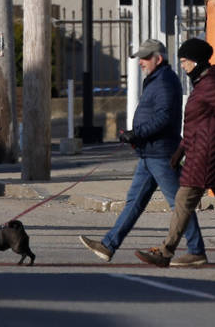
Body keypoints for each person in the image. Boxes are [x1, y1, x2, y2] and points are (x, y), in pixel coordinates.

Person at [135, 37, 215, 268]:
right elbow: (197, 125)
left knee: (183, 201)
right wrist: (179, 153)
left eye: (185, 61)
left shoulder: (210, 86)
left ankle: (166, 252)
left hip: (206, 155)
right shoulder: (205, 84)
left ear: (196, 62)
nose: (183, 66)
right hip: (207, 151)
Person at [78, 38, 207, 267]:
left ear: (159, 58)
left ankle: (196, 250)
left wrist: (137, 133)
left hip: (162, 153)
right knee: (134, 202)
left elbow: (164, 117)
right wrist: (135, 134)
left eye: (146, 57)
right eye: (140, 58)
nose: (141, 62)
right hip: (150, 153)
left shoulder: (165, 81)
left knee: (179, 203)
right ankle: (109, 245)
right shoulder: (156, 79)